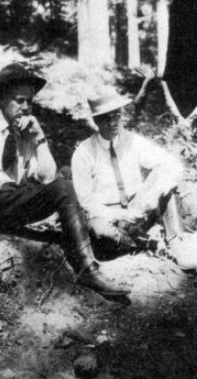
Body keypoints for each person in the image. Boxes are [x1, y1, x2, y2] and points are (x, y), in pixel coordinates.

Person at [0, 63, 131, 346]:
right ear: (2, 98)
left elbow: (47, 176)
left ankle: (88, 270)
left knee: (63, 185)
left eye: (30, 101)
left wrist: (39, 139)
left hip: (13, 204)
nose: (26, 107)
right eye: (19, 100)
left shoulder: (27, 129)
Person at [71, 90, 184, 257]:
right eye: (105, 118)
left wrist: (146, 202)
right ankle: (146, 243)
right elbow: (86, 201)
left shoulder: (132, 141)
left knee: (167, 181)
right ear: (95, 120)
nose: (112, 123)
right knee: (99, 231)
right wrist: (120, 214)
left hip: (139, 209)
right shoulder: (84, 153)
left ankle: (176, 244)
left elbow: (171, 164)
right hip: (109, 217)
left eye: (116, 116)